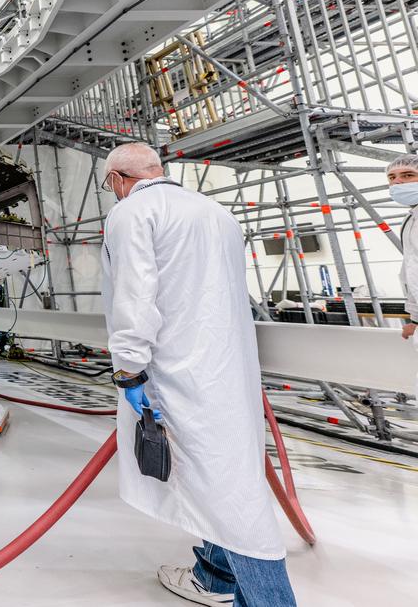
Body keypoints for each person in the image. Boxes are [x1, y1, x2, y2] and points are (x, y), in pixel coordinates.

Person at [100, 143, 295, 607]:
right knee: (222, 479)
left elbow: (135, 296)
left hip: (177, 372)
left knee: (234, 504)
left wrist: (128, 369)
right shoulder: (216, 212)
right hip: (226, 369)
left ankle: (269, 599)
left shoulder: (131, 213)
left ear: (117, 179)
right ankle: (215, 577)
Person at [386, 154, 418, 342]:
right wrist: (415, 320)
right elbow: (412, 273)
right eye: (392, 177)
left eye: (408, 175)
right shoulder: (410, 220)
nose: (397, 182)